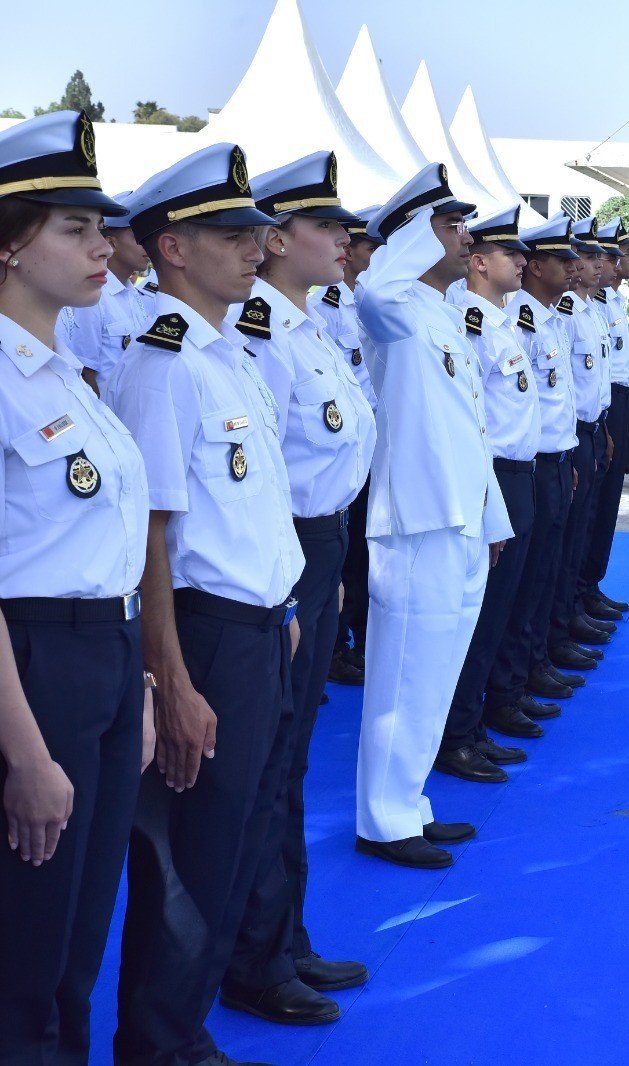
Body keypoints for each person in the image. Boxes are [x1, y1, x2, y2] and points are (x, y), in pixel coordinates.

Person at [104, 141, 305, 1066]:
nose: (253, 249)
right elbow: (148, 536)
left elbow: (250, 507)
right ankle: (157, 1044)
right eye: (230, 235)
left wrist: (284, 608)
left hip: (258, 629)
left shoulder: (228, 355)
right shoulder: (164, 365)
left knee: (237, 838)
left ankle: (186, 1029)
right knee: (188, 858)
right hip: (203, 635)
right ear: (173, 249)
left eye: (254, 232)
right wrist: (172, 680)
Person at [0, 109, 150, 1064]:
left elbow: (111, 542)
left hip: (104, 658)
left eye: (102, 228)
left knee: (80, 933)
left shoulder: (65, 375)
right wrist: (25, 754)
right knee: (26, 939)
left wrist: (137, 679)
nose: (104, 247)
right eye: (76, 228)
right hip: (33, 672)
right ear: (9, 244)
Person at [220, 151, 376, 1027]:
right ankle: (255, 956)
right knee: (269, 760)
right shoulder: (259, 332)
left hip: (320, 548)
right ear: (276, 240)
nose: (344, 240)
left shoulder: (309, 326)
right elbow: (266, 480)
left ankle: (282, 936)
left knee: (292, 758)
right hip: (284, 553)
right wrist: (294, 586)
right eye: (325, 226)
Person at [353, 163, 513, 870]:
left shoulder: (441, 313)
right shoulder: (391, 309)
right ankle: (382, 819)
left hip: (457, 518)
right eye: (450, 226)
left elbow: (469, 426)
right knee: (403, 676)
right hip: (416, 522)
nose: (465, 238)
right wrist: (415, 231)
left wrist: (491, 517)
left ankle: (408, 802)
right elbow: (373, 285)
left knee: (435, 675)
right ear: (414, 236)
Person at [434, 205, 542, 784]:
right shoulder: (468, 326)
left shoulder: (501, 321)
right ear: (478, 262)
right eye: (509, 253)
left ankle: (477, 720)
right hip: (491, 477)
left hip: (520, 474)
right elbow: (468, 420)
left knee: (504, 607)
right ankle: (457, 733)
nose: (522, 262)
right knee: (478, 615)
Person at [483, 215, 579, 738]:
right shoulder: (502, 321)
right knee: (511, 591)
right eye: (563, 259)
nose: (575, 268)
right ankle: (501, 691)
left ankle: (524, 671)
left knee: (540, 575)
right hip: (513, 469)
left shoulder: (535, 319)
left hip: (547, 461)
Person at [309, 205, 381, 684]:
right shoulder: (323, 308)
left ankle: (358, 637)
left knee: (364, 555)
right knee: (347, 555)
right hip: (334, 454)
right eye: (370, 245)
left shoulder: (372, 301)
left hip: (369, 444)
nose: (378, 254)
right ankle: (336, 648)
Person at [546, 216, 609, 666]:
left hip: (588, 429)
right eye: (585, 257)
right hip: (562, 441)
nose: (592, 264)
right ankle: (557, 627)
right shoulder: (564, 315)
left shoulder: (589, 310)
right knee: (560, 543)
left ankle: (570, 611)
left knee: (579, 530)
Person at [580, 218, 629, 615]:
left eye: (610, 255)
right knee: (590, 506)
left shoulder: (609, 300)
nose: (606, 263)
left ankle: (589, 585)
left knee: (606, 500)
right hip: (603, 406)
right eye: (598, 255)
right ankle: (579, 591)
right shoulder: (584, 305)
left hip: (613, 402)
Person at [71, 191, 153, 394]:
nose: (147, 244)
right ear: (111, 243)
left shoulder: (133, 294)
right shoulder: (93, 297)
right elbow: (86, 372)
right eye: (137, 236)